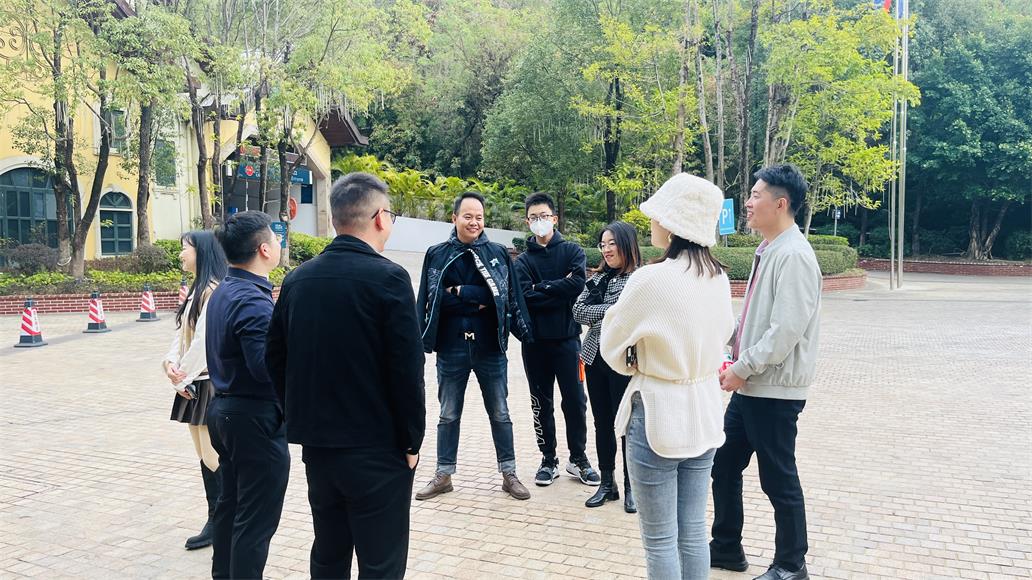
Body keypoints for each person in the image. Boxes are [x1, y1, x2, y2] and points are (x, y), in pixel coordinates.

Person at [266, 172, 426, 579]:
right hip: (378, 448)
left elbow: (275, 358)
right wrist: (412, 440)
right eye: (391, 215)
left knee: (328, 553)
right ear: (379, 217)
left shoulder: (298, 279)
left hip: (320, 449)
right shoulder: (389, 278)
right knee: (381, 562)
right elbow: (407, 370)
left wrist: (299, 418)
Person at [599, 174, 735, 578]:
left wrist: (636, 363)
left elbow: (611, 344)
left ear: (674, 223)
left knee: (659, 540)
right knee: (692, 531)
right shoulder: (718, 277)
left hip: (658, 409)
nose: (652, 222)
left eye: (657, 215)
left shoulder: (651, 279)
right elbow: (724, 334)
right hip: (704, 409)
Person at [710, 164, 822, 580]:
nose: (748, 202)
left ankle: (792, 565)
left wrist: (743, 367)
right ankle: (726, 547)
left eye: (756, 195)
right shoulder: (770, 249)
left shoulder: (794, 255)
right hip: (752, 388)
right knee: (723, 464)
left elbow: (785, 331)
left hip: (773, 390)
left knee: (778, 479)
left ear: (781, 203)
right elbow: (755, 319)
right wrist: (727, 344)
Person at [415, 191, 534, 501]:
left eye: (479, 217)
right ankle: (443, 475)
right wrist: (477, 299)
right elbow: (432, 299)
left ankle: (509, 474)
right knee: (448, 414)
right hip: (450, 346)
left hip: (490, 347)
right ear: (454, 218)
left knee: (501, 412)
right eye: (468, 216)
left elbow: (502, 297)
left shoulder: (497, 253)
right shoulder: (437, 254)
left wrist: (459, 292)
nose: (474, 222)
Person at [205, 211, 289, 579]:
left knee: (231, 505)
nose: (279, 243)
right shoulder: (253, 300)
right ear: (264, 249)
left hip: (226, 412)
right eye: (276, 238)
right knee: (255, 520)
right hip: (252, 419)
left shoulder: (225, 290)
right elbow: (265, 369)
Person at [514, 192, 599, 488]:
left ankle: (578, 458)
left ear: (554, 218)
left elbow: (577, 285)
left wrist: (542, 288)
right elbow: (525, 296)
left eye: (544, 216)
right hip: (534, 343)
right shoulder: (522, 261)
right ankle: (548, 459)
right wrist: (559, 287)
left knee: (575, 401)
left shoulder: (572, 251)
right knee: (541, 402)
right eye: (533, 217)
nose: (539, 221)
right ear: (527, 221)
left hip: (568, 341)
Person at [162, 230, 227, 551]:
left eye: (185, 248)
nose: (180, 254)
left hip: (205, 382)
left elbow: (204, 341)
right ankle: (216, 520)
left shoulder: (212, 291)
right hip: (194, 382)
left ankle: (224, 521)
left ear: (202, 252)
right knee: (205, 456)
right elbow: (182, 335)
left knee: (214, 457)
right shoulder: (197, 290)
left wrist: (181, 375)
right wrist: (170, 363)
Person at [573, 221, 642, 512]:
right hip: (594, 358)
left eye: (612, 243)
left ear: (627, 243)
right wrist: (612, 311)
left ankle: (631, 486)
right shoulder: (598, 278)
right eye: (603, 244)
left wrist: (603, 313)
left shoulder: (639, 279)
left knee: (626, 425)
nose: (607, 249)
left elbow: (633, 315)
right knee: (602, 422)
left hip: (625, 360)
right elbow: (578, 311)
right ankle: (607, 483)